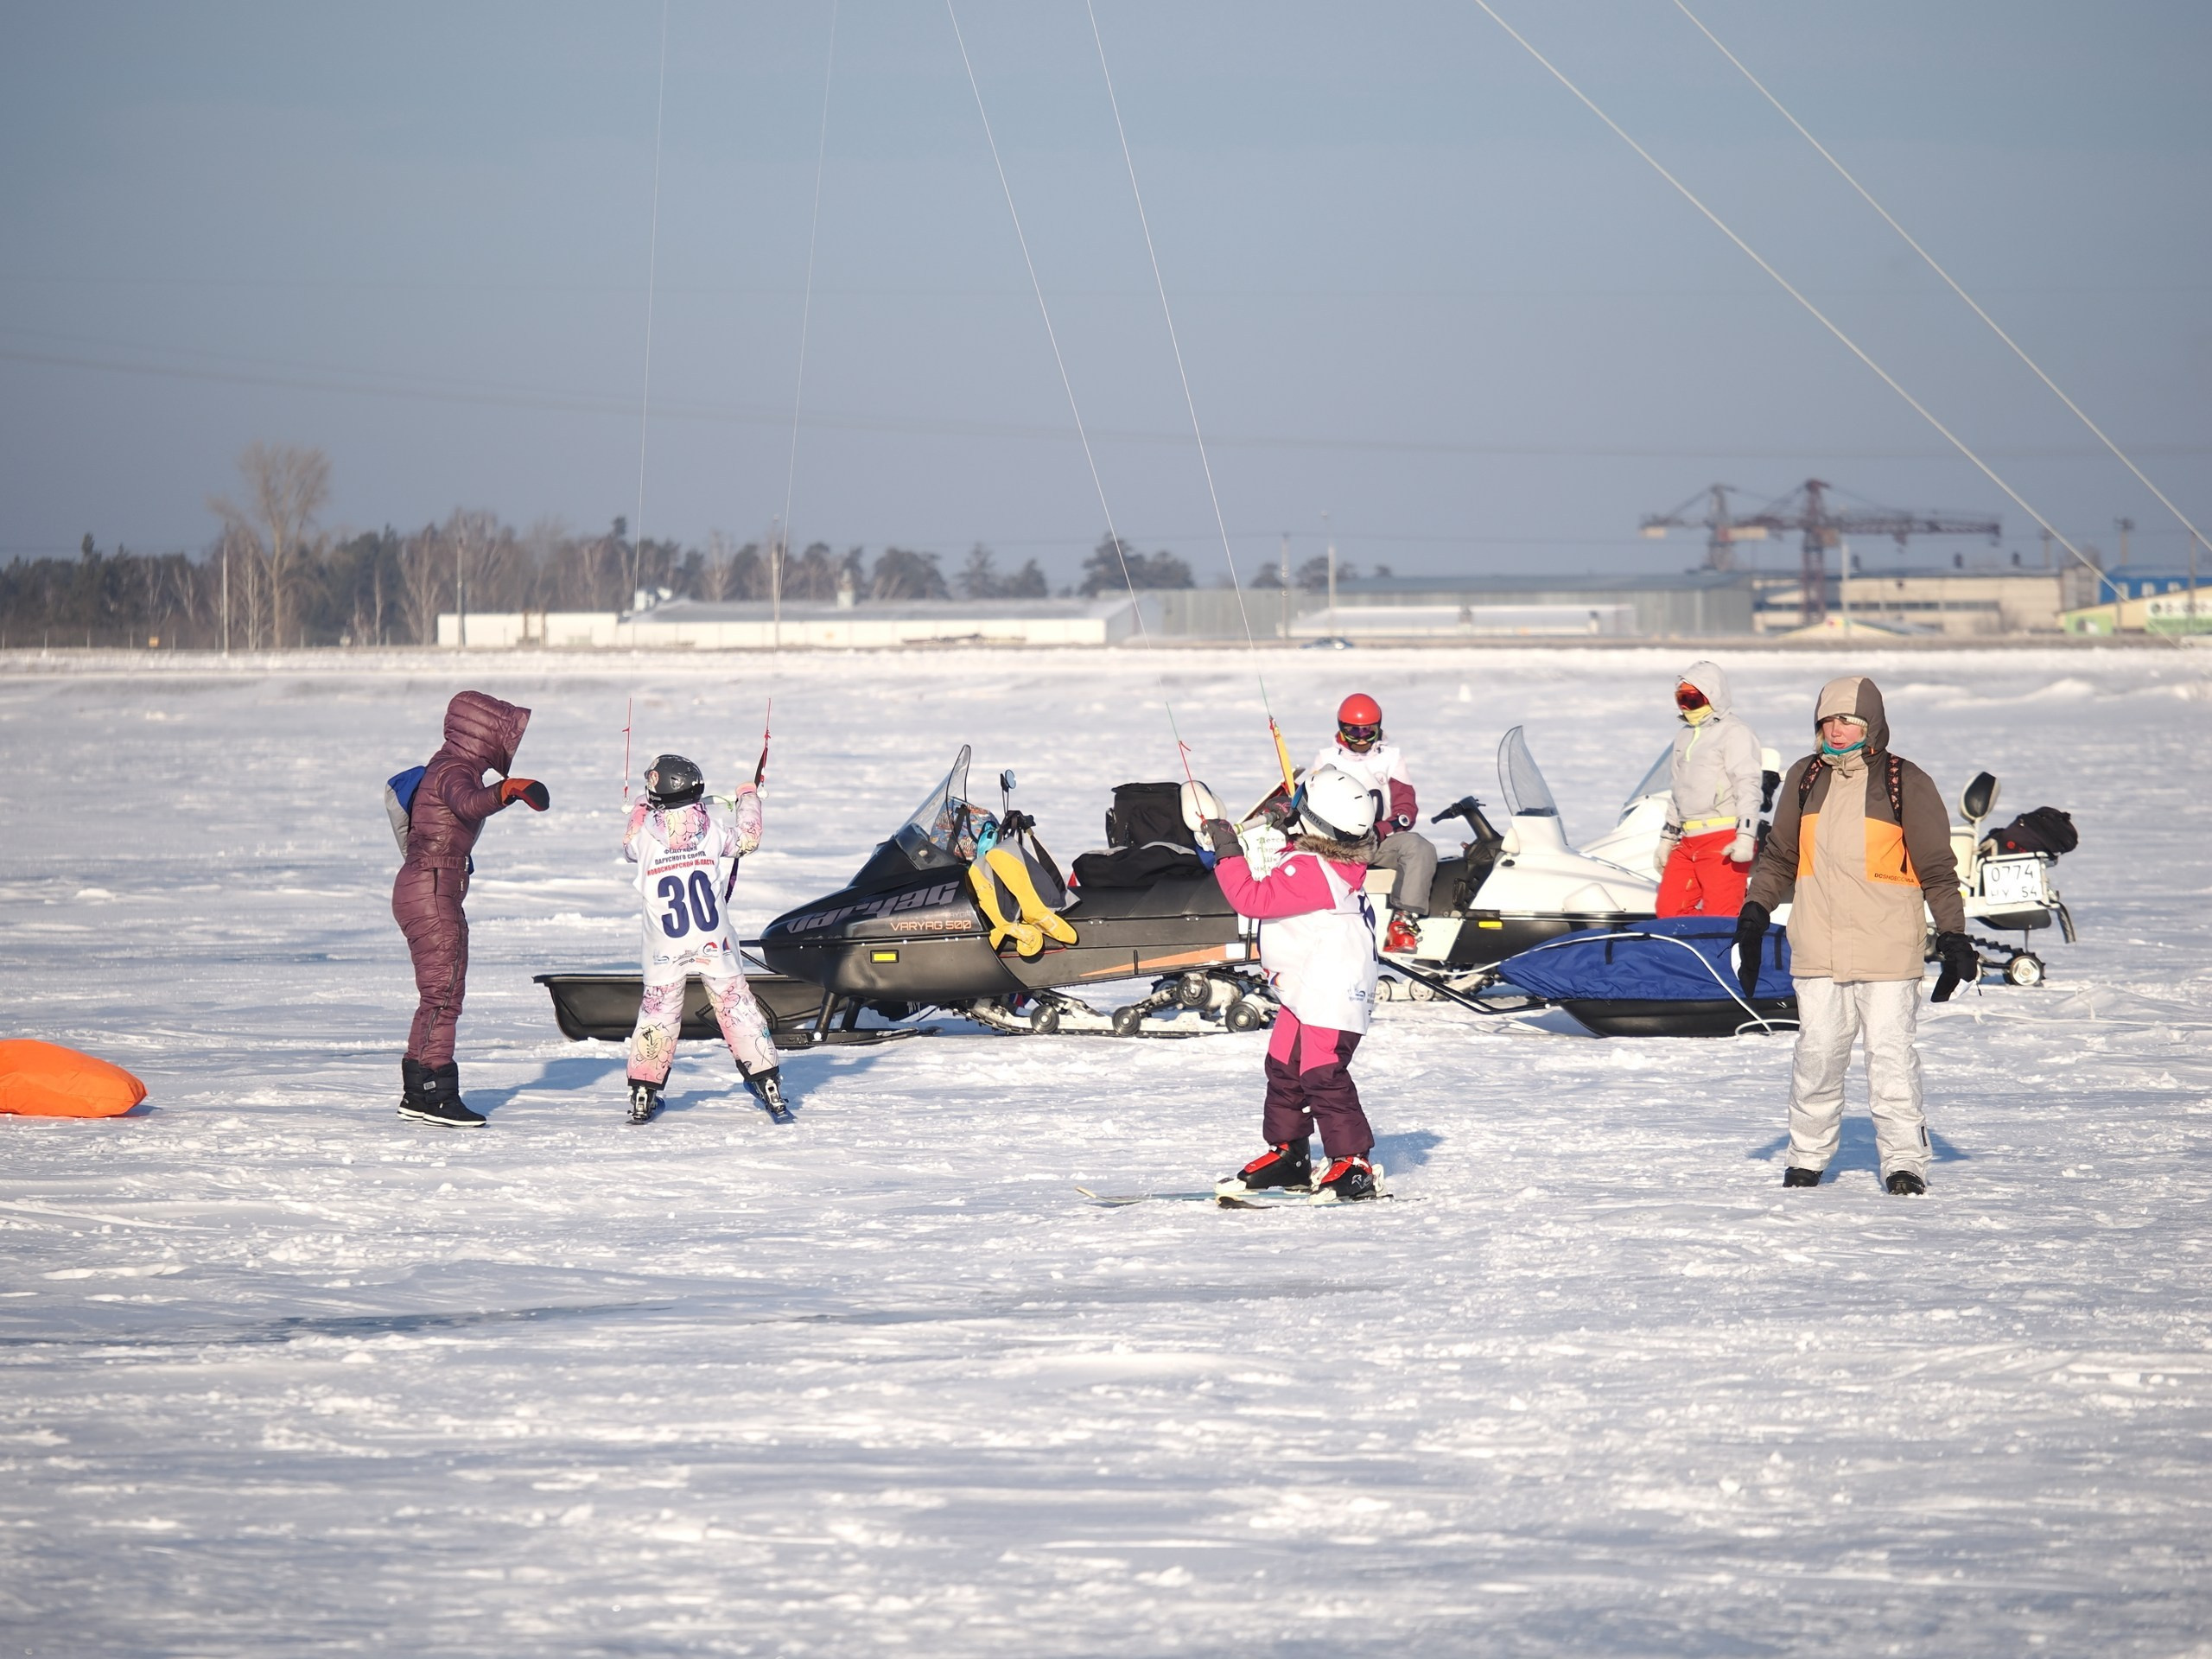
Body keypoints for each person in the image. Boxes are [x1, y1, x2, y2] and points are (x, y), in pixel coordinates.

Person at [1735, 676, 1976, 1196]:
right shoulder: (1805, 777)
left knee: (1890, 1060)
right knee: (1817, 1056)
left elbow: (1937, 868)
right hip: (1818, 945)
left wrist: (1955, 937)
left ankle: (1904, 1163)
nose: (1837, 730)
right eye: (1828, 720)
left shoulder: (1904, 780)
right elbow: (1779, 857)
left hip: (1888, 947)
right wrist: (1755, 911)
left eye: (1849, 720)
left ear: (1872, 725)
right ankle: (1806, 1157)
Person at [1189, 766, 1383, 1203]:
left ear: (1312, 820)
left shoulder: (1315, 870)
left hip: (1331, 990)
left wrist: (1226, 851)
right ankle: (1290, 1155)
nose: (1288, 807)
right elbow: (1288, 865)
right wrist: (1280, 826)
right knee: (1283, 1066)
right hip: (1307, 985)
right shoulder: (1325, 858)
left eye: (1297, 803)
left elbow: (1251, 897)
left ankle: (1353, 1164)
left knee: (1321, 1073)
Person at [392, 690, 550, 1127]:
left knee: (437, 995)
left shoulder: (445, 765)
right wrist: (508, 790)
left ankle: (418, 1091)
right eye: (505, 735)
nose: (509, 747)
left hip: (429, 885)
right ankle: (437, 1095)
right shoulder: (453, 771)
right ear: (482, 734)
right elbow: (467, 803)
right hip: (433, 889)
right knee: (443, 996)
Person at [620, 753, 786, 1126]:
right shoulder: (711, 830)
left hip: (664, 946)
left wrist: (638, 810)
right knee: (737, 1007)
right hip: (714, 942)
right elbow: (747, 840)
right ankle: (767, 1082)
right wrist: (748, 796)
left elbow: (629, 843)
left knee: (658, 1015)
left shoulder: (644, 837)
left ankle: (644, 1091)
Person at [1311, 693, 1435, 955]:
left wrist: (1383, 829)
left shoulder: (1390, 759)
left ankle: (1404, 923)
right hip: (1338, 843)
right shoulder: (1326, 760)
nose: (1361, 739)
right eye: (1353, 732)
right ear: (1341, 729)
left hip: (1381, 840)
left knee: (1420, 848)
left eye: (1368, 731)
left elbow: (1406, 810)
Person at [1656, 661, 1765, 917]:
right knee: (1669, 911)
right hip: (1688, 839)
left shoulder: (1735, 732)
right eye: (1680, 699)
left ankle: (1728, 950)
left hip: (1723, 837)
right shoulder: (1684, 735)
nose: (1685, 707)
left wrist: (1746, 836)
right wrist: (1667, 838)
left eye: (1691, 700)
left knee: (1721, 916)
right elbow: (1677, 790)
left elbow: (1748, 784)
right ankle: (1692, 953)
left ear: (1711, 696)